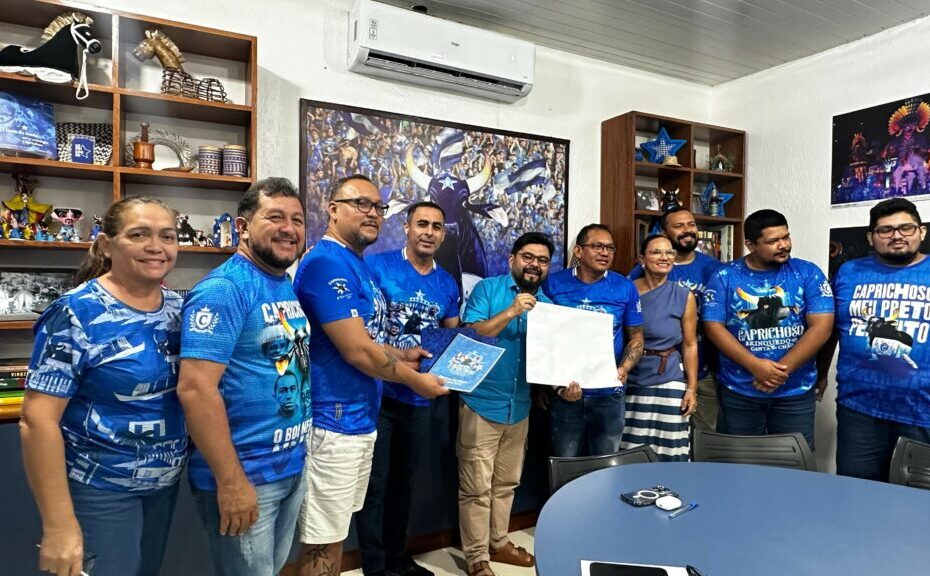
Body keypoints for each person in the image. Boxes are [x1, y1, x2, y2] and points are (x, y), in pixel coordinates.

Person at [21, 196, 187, 576]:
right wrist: (59, 525)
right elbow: (37, 421)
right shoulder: (75, 312)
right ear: (106, 245)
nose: (156, 246)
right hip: (100, 488)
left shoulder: (179, 309)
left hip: (164, 486)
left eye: (167, 236)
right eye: (139, 234)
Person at [293, 175, 448, 576]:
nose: (372, 214)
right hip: (333, 421)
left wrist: (402, 354)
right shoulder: (327, 263)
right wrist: (417, 381)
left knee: (335, 533)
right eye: (361, 203)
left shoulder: (355, 263)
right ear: (332, 209)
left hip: (360, 417)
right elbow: (357, 350)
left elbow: (367, 339)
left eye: (378, 207)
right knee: (322, 540)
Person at [177, 178, 312, 576]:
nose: (289, 228)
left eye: (297, 220)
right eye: (275, 217)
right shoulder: (224, 289)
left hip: (289, 464)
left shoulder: (281, 283)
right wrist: (232, 481)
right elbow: (195, 389)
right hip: (246, 474)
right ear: (243, 227)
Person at [459, 232, 579, 576]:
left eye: (542, 260)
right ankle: (477, 557)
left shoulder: (549, 306)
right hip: (481, 403)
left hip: (520, 406)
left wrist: (564, 387)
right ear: (512, 259)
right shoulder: (488, 290)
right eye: (528, 257)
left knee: (506, 483)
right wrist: (512, 311)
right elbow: (472, 335)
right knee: (476, 487)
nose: (534, 265)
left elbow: (551, 361)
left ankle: (498, 543)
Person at [354, 201, 461, 576]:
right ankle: (374, 566)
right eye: (422, 224)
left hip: (419, 398)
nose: (429, 232)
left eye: (436, 226)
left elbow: (452, 337)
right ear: (407, 227)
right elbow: (358, 330)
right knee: (375, 487)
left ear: (443, 234)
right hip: (379, 394)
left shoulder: (447, 283)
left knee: (404, 484)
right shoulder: (376, 266)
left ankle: (398, 560)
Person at [702, 209, 834, 449]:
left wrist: (778, 372)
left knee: (795, 463)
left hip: (795, 391)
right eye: (773, 241)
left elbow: (822, 327)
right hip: (740, 389)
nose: (784, 245)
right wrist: (755, 366)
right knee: (738, 462)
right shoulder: (724, 276)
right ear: (750, 244)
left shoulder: (808, 273)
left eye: (786, 237)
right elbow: (713, 327)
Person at [819, 198, 930, 481]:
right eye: (885, 230)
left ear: (921, 232)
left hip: (922, 410)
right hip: (859, 408)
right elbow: (831, 330)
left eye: (906, 228)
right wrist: (820, 374)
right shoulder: (849, 272)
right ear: (871, 237)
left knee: (917, 499)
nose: (897, 235)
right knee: (857, 493)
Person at [542, 223, 644, 456]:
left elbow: (636, 337)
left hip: (609, 393)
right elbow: (542, 338)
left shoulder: (625, 287)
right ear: (578, 251)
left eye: (610, 247)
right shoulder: (553, 284)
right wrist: (548, 386)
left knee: (605, 465)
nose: (605, 253)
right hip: (566, 392)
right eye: (597, 246)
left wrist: (624, 368)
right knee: (565, 464)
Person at [628, 209, 722, 431]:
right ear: (663, 232)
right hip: (650, 371)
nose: (687, 230)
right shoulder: (639, 274)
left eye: (691, 224)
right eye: (679, 226)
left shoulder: (715, 269)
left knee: (702, 438)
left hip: (704, 369)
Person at [620, 234, 698, 461]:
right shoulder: (626, 291)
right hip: (630, 375)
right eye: (656, 252)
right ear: (642, 259)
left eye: (669, 252)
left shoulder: (684, 295)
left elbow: (690, 344)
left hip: (669, 377)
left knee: (670, 446)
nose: (664, 257)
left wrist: (691, 389)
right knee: (631, 446)